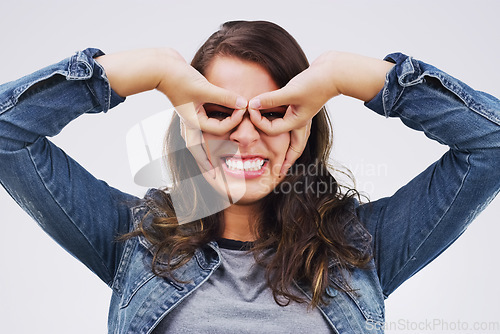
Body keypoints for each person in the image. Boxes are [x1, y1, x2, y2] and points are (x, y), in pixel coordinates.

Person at [0, 20, 498, 334]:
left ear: (302, 126)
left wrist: (342, 75)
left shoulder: (360, 247)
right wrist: (152, 69)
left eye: (273, 112)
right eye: (219, 112)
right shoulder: (137, 239)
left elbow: (490, 145)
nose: (244, 137)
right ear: (190, 127)